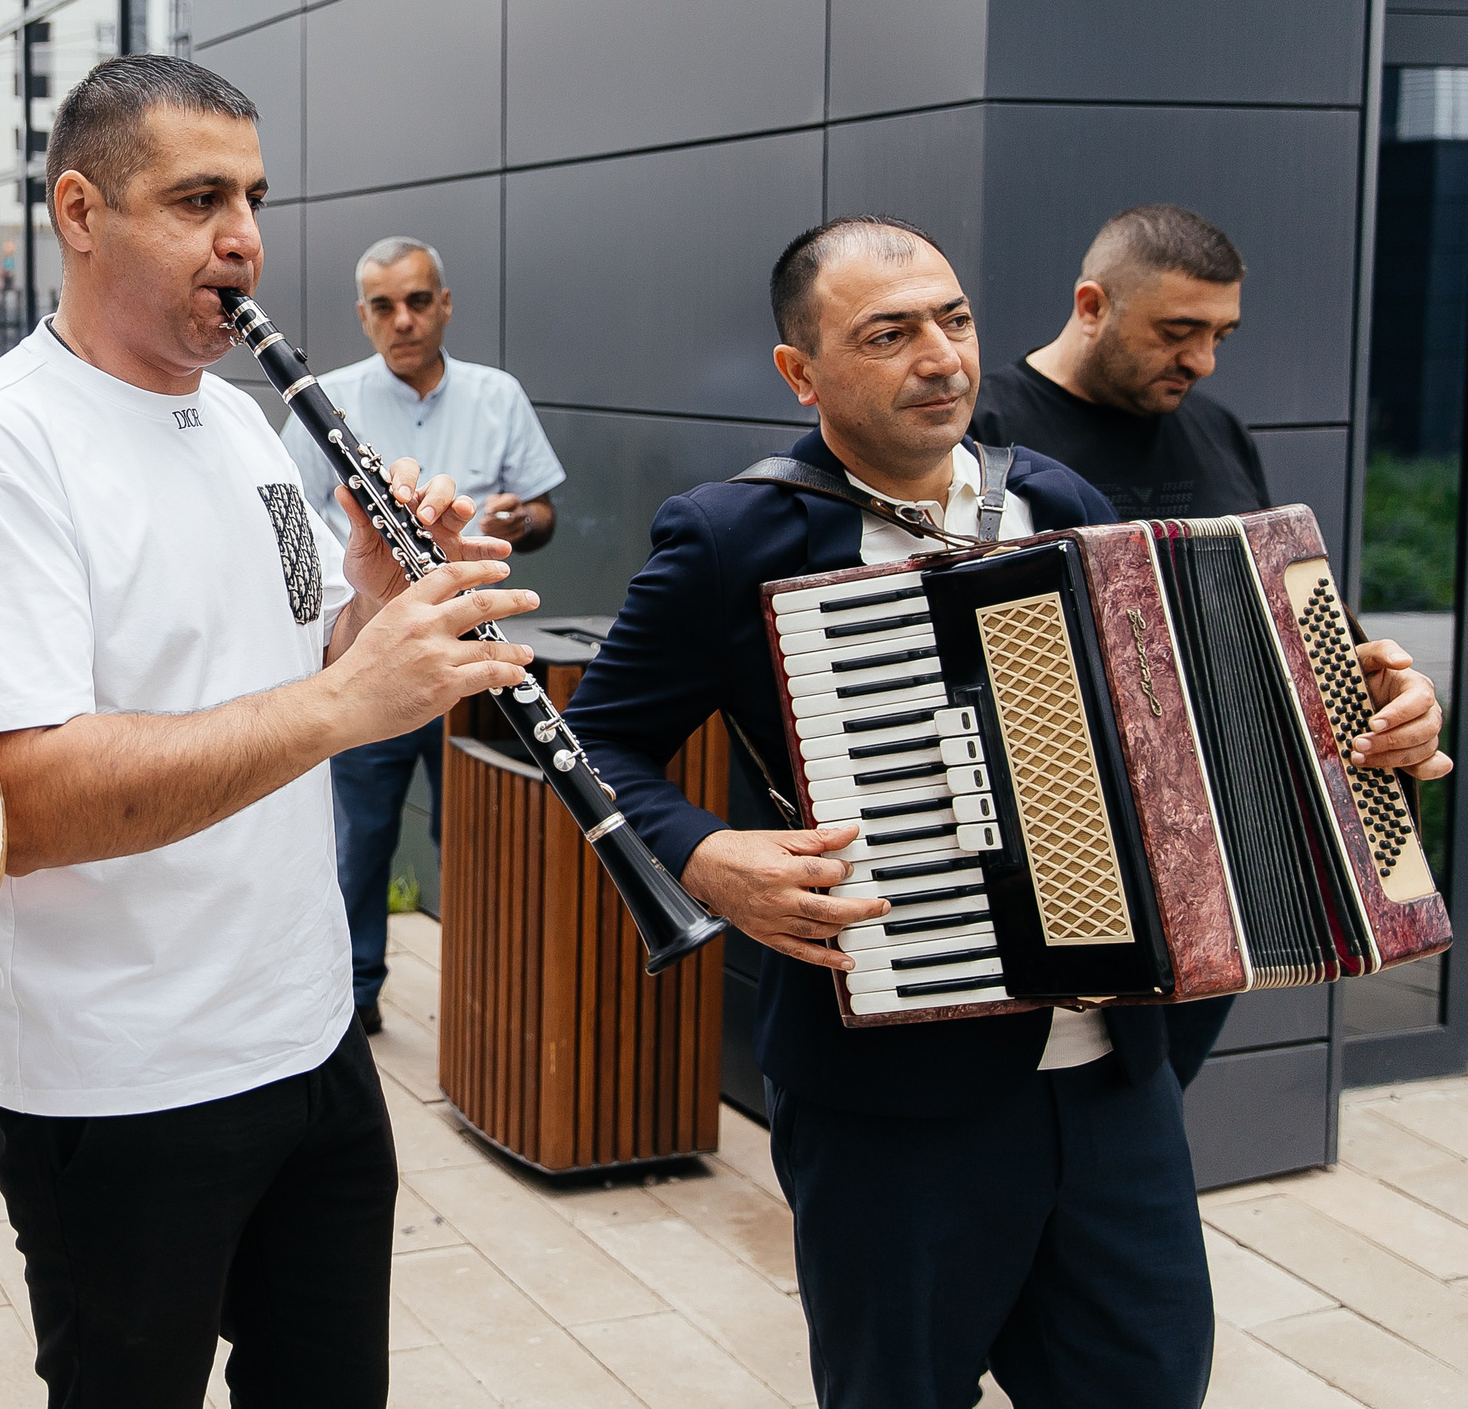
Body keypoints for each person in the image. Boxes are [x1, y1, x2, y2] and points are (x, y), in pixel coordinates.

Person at [561, 216, 1447, 1409]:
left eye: (955, 319)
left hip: (1110, 1081)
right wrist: (706, 853)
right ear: (801, 372)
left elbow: (1210, 718)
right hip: (891, 1109)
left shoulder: (1057, 496)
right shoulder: (735, 536)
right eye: (889, 333)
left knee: (1147, 1381)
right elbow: (596, 737)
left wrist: (1371, 716)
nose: (940, 356)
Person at [0, 54, 539, 1408]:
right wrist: (343, 703)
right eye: (196, 198)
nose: (242, 234)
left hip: (305, 1036)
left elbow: (288, 665)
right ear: (81, 211)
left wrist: (373, 600)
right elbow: (26, 797)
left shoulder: (244, 424)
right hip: (120, 1073)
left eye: (251, 196)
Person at [968, 202, 1285, 1088]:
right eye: (1179, 331)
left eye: (1221, 333)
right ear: (1092, 303)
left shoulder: (1220, 429)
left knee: (1147, 1101)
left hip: (1223, 847)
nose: (1203, 360)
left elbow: (1273, 610)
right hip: (1061, 851)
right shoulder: (982, 433)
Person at [282, 235, 566, 1032]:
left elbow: (544, 510)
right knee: (361, 836)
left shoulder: (497, 394)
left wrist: (517, 518)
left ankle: (479, 1004)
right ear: (364, 316)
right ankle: (356, 996)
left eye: (417, 301)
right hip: (373, 650)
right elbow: (289, 528)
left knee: (475, 834)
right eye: (383, 306)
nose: (402, 320)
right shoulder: (320, 401)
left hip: (479, 654)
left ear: (444, 304)